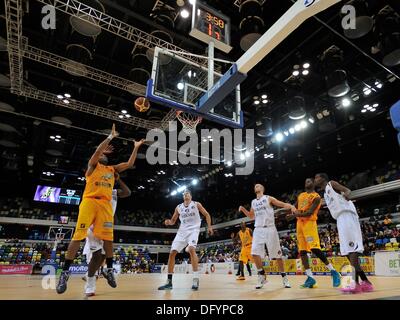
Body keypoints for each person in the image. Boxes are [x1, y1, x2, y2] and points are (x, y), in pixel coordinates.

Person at [56, 124, 144, 294]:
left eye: (105, 155)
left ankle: (109, 269)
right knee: (78, 235)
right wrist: (110, 137)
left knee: (108, 238)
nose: (102, 155)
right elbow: (97, 152)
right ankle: (65, 271)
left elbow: (130, 163)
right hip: (90, 202)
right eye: (101, 154)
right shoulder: (92, 167)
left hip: (105, 205)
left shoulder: (112, 170)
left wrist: (136, 147)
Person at [314, 173, 374, 293]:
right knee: (347, 252)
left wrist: (346, 194)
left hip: (347, 216)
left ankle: (354, 283)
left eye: (316, 177)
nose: (315, 179)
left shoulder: (331, 184)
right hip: (340, 220)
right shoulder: (325, 193)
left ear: (323, 178)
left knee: (352, 251)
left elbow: (347, 190)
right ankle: (366, 282)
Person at [239, 183, 296, 289]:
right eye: (255, 186)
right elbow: (251, 216)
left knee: (277, 255)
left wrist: (291, 206)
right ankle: (262, 276)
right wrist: (243, 209)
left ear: (263, 189)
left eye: (259, 185)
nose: (257, 186)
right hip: (258, 229)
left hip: (270, 228)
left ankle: (284, 278)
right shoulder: (253, 202)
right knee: (254, 253)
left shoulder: (268, 198)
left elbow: (282, 204)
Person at [82, 173, 131, 296]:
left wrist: (118, 179)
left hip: (107, 225)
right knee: (96, 256)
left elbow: (127, 192)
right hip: (94, 225)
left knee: (104, 256)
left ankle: (95, 273)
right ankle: (90, 285)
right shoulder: (96, 187)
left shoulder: (114, 192)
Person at [286, 178, 341, 288]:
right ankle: (310, 277)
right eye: (306, 181)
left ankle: (334, 272)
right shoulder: (301, 195)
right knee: (302, 252)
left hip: (309, 224)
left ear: (314, 184)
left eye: (310, 181)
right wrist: (287, 211)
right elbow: (294, 207)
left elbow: (309, 212)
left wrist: (294, 215)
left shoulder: (316, 197)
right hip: (299, 225)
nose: (307, 182)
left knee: (315, 249)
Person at [158, 190, 214, 291]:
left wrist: (209, 227)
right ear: (183, 197)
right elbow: (173, 221)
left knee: (192, 249)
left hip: (194, 230)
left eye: (187, 193)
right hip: (182, 232)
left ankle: (195, 279)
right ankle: (169, 282)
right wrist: (168, 222)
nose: (185, 195)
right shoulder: (179, 207)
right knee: (172, 253)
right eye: (184, 194)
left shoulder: (196, 204)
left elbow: (207, 214)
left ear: (191, 196)